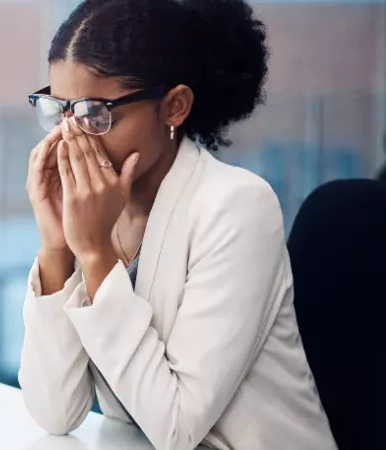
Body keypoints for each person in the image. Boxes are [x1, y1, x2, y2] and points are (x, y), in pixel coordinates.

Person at [18, 1, 337, 449]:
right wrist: (56, 248)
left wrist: (93, 254)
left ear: (174, 107)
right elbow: (55, 412)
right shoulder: (97, 215)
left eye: (96, 113)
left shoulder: (238, 206)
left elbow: (177, 429)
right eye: (61, 110)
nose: (70, 138)